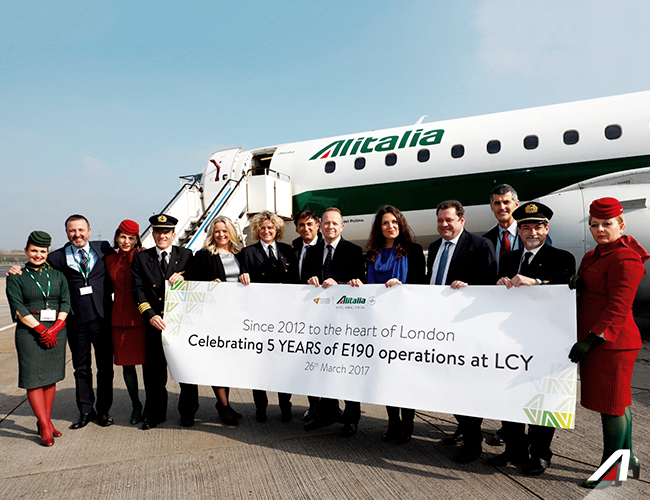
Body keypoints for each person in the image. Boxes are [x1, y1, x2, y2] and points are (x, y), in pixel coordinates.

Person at [489, 202, 576, 476]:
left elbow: (566, 289)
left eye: (538, 227)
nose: (532, 232)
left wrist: (536, 283)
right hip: (511, 340)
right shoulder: (509, 259)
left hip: (546, 342)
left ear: (547, 229)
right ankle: (514, 449)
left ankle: (540, 453)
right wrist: (498, 286)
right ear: (519, 231)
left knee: (542, 398)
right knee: (510, 395)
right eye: (526, 227)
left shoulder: (562, 257)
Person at [568, 197, 647, 488]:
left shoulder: (626, 258)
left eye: (607, 224)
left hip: (613, 344)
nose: (600, 229)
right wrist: (578, 284)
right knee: (618, 403)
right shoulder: (593, 256)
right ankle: (628, 459)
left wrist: (591, 340)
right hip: (600, 343)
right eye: (594, 225)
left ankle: (611, 470)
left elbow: (617, 307)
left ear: (621, 226)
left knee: (611, 407)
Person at [427, 200, 497, 463]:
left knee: (465, 387)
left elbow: (490, 286)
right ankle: (465, 429)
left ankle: (472, 441)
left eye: (449, 220)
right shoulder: (435, 247)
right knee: (445, 385)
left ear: (462, 220)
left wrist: (470, 287)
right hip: (437, 328)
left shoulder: (480, 245)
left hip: (465, 328)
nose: (444, 224)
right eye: (440, 220)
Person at [365, 205, 426, 444]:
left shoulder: (413, 250)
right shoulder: (372, 253)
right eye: (385, 223)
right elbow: (368, 286)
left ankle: (408, 422)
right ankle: (393, 421)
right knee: (386, 375)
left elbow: (421, 284)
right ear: (379, 228)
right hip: (380, 323)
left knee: (404, 375)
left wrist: (403, 287)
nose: (390, 226)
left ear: (401, 224)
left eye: (394, 222)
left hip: (405, 322)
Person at [302, 207, 365, 437]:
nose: (330, 226)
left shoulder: (354, 251)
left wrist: (341, 285)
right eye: (326, 223)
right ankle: (327, 412)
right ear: (320, 225)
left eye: (334, 223)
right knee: (323, 368)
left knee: (347, 369)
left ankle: (352, 417)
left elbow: (361, 283)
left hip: (345, 320)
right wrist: (308, 281)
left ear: (342, 226)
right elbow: (302, 280)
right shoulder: (311, 251)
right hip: (319, 320)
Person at [48, 215, 115, 429]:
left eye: (80, 230)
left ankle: (103, 411)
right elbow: (36, 268)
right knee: (81, 369)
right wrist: (18, 270)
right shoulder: (56, 257)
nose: (77, 234)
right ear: (67, 233)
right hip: (76, 322)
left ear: (89, 230)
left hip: (103, 319)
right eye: (72, 231)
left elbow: (124, 260)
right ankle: (85, 411)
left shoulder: (103, 248)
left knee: (105, 368)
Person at [6, 231, 70, 446]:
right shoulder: (16, 276)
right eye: (34, 250)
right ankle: (43, 424)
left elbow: (66, 302)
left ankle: (47, 420)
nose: (38, 255)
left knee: (50, 378)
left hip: (57, 330)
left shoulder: (58, 275)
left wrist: (56, 328)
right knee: (33, 378)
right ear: (26, 251)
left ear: (48, 252)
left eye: (42, 251)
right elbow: (18, 308)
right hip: (30, 332)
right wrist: (42, 330)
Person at [132, 214, 193, 430]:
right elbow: (138, 290)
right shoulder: (141, 258)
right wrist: (150, 315)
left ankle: (188, 412)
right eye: (158, 231)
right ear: (153, 233)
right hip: (155, 323)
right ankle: (156, 414)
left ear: (174, 234)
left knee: (186, 371)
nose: (162, 236)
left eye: (166, 232)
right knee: (155, 374)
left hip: (181, 325)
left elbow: (197, 282)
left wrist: (185, 279)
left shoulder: (186, 255)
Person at [184, 216, 245, 426]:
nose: (221, 235)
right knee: (217, 363)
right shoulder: (204, 255)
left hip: (236, 317)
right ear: (212, 233)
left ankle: (224, 402)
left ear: (231, 232)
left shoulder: (240, 254)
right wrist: (208, 284)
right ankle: (224, 406)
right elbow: (191, 280)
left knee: (229, 364)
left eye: (225, 231)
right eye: (217, 231)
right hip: (214, 318)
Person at [239, 210, 298, 423]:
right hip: (260, 318)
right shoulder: (248, 253)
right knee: (259, 364)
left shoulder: (287, 250)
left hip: (283, 318)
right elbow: (243, 281)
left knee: (282, 363)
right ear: (257, 230)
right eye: (262, 228)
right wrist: (242, 277)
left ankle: (285, 405)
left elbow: (295, 280)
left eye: (270, 227)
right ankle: (260, 407)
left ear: (277, 229)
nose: (266, 231)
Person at [105, 220, 146, 425]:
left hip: (143, 316)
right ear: (116, 237)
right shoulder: (109, 259)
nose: (126, 241)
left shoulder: (144, 256)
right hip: (119, 318)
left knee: (148, 365)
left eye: (131, 237)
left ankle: (151, 404)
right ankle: (135, 404)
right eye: (123, 237)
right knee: (127, 366)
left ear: (137, 239)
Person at [291, 209, 323, 422]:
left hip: (322, 312)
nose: (306, 228)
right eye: (302, 225)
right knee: (308, 362)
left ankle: (330, 407)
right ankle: (314, 405)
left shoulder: (325, 246)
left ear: (317, 225)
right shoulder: (294, 247)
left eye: (310, 224)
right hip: (301, 313)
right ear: (296, 228)